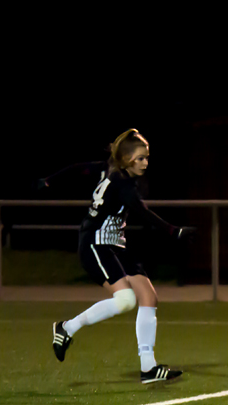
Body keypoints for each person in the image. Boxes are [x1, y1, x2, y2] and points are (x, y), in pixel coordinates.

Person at [46, 128, 188, 383]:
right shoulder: (122, 184)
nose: (145, 162)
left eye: (146, 157)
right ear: (126, 160)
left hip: (115, 244)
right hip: (95, 244)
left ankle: (148, 367)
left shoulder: (121, 178)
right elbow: (143, 212)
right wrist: (173, 231)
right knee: (126, 300)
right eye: (141, 158)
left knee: (148, 297)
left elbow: (82, 172)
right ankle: (67, 327)